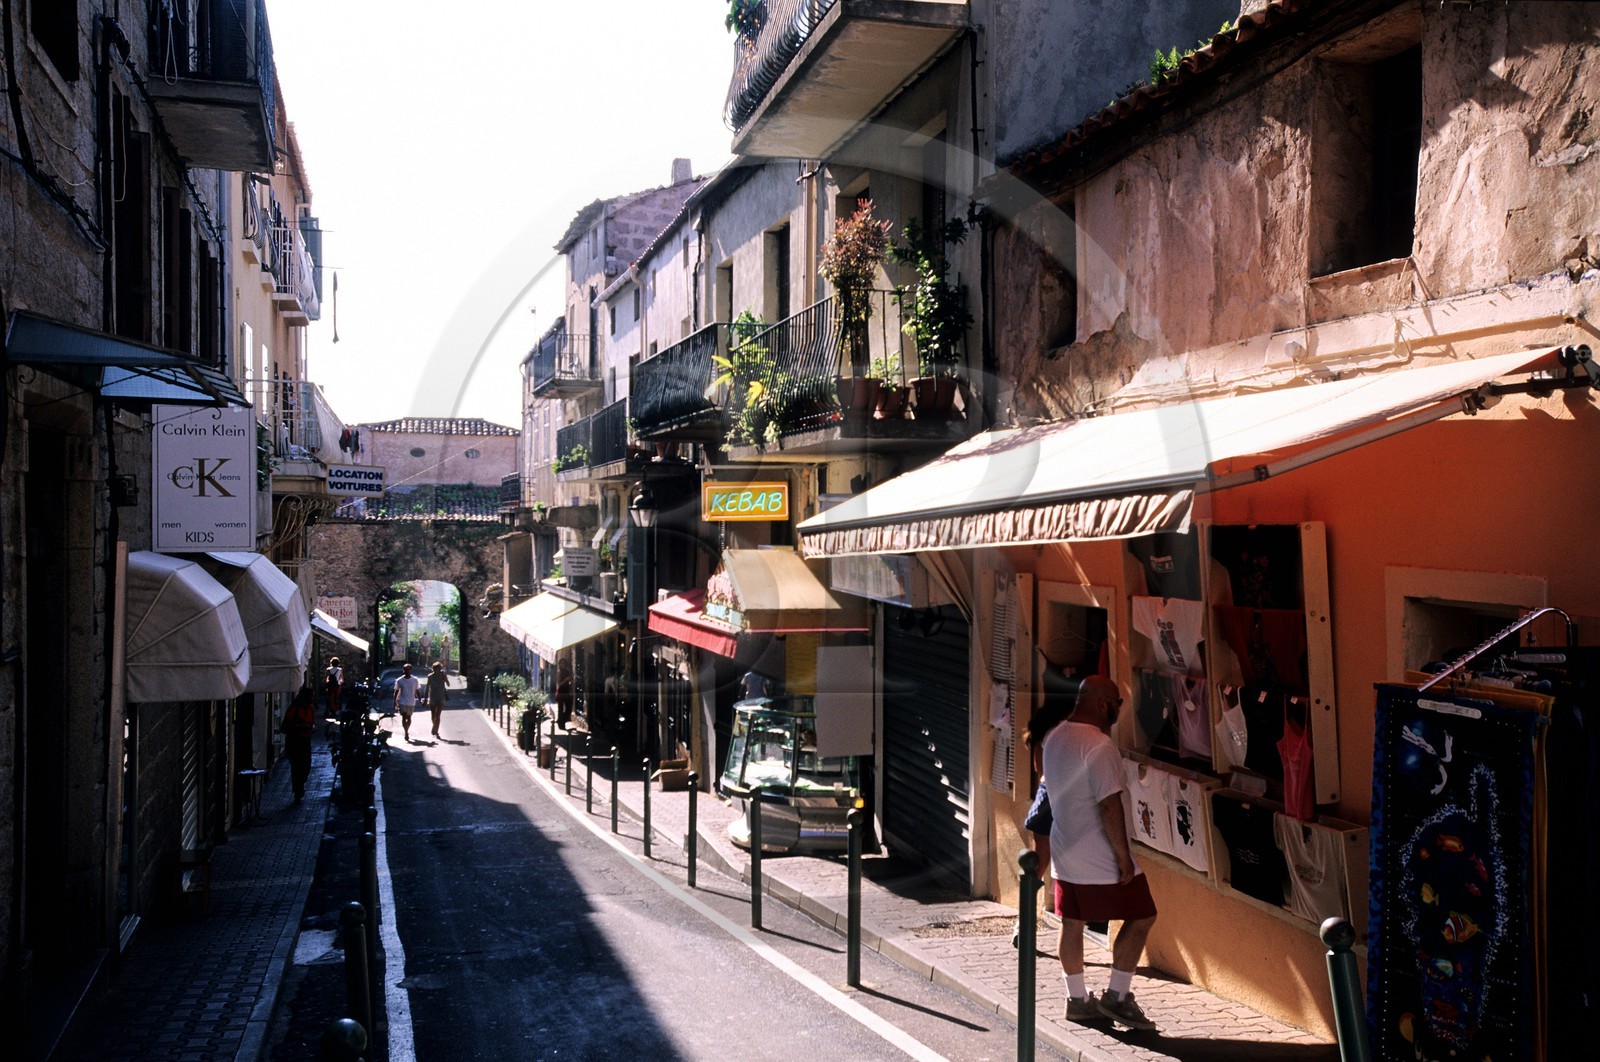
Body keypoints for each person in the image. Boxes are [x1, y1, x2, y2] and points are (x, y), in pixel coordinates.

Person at [1042, 674, 1159, 1031]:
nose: (1119, 710)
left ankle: (1077, 1000)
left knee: (1072, 923)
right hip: (1100, 856)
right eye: (1117, 703)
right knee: (1142, 916)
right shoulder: (1100, 746)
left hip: (1065, 849)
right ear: (1100, 703)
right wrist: (1123, 858)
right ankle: (1117, 997)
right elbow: (1110, 805)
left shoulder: (1055, 737)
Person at [282, 687, 317, 802]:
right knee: (297, 767)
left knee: (306, 765)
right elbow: (285, 726)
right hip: (294, 741)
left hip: (305, 740)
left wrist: (311, 728)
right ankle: (298, 791)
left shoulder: (311, 709)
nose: (313, 698)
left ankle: (300, 785)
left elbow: (312, 723)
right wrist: (299, 727)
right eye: (311, 696)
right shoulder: (294, 709)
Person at [393, 662, 422, 741]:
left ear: (411, 670)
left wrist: (420, 699)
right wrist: (395, 701)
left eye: (408, 670)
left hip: (411, 701)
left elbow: (417, 690)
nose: (406, 671)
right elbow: (396, 691)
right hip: (402, 701)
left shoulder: (415, 680)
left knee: (409, 718)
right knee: (404, 716)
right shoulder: (400, 680)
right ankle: (406, 732)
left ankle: (407, 729)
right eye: (405, 670)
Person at [426, 661, 448, 739]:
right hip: (432, 697)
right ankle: (434, 725)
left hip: (441, 697)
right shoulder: (430, 676)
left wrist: (445, 678)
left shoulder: (443, 676)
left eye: (438, 669)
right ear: (433, 669)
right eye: (435, 669)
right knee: (433, 715)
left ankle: (436, 729)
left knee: (438, 715)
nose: (437, 670)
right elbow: (427, 687)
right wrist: (425, 698)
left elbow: (448, 684)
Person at [554, 658, 575, 730]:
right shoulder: (559, 672)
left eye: (564, 663)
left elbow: (570, 682)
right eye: (562, 663)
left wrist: (570, 680)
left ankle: (561, 719)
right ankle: (561, 724)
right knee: (560, 708)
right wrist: (566, 680)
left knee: (569, 707)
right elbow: (559, 683)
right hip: (561, 691)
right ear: (560, 664)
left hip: (567, 690)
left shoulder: (568, 671)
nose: (563, 665)